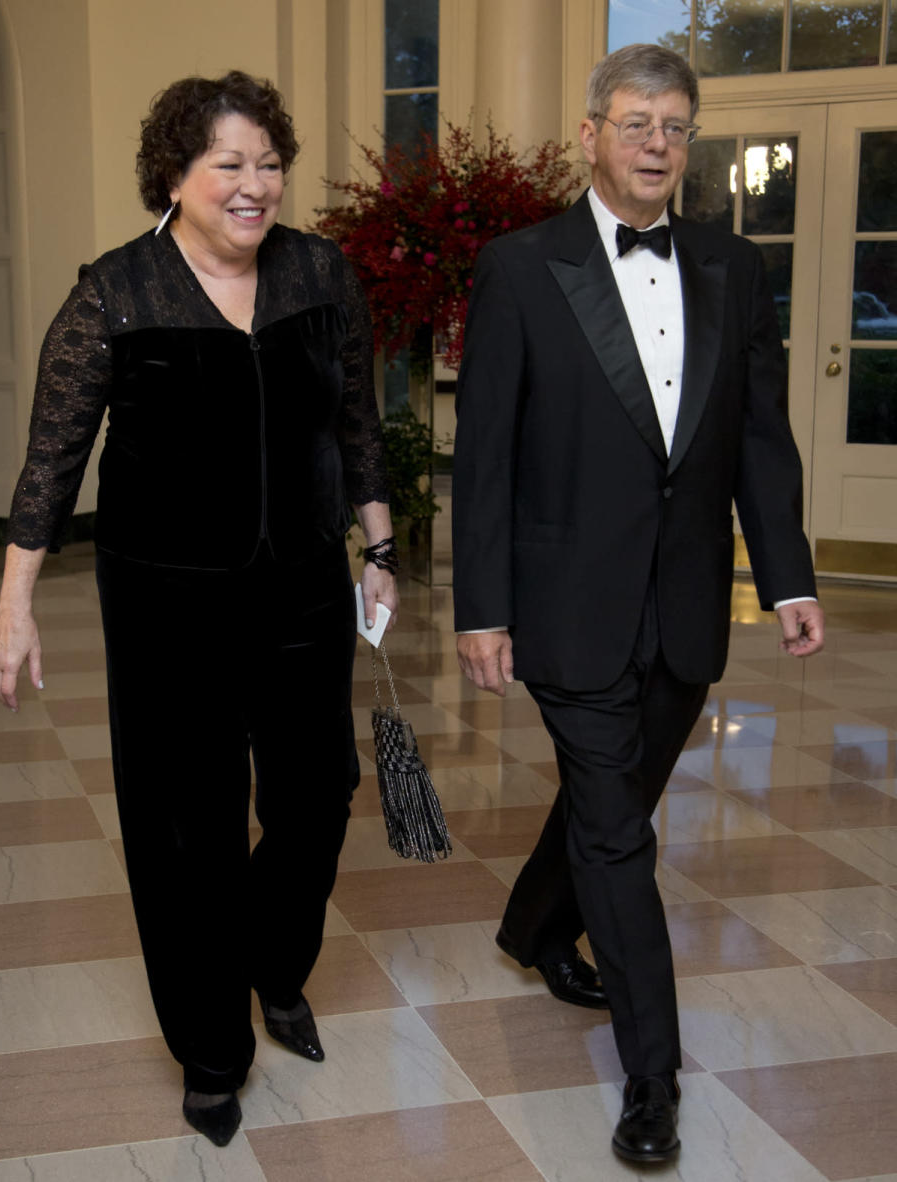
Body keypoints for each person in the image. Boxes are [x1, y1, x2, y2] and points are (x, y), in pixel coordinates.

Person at [0, 71, 398, 1148]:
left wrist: (381, 543)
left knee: (316, 795)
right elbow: (49, 463)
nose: (255, 184)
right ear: (174, 174)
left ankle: (273, 964)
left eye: (268, 163)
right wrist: (13, 607)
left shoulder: (318, 272)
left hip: (303, 584)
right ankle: (211, 1048)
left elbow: (357, 419)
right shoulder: (116, 293)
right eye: (230, 164)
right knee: (187, 829)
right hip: (165, 601)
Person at [452, 43, 823, 1165]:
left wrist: (790, 573)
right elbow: (485, 457)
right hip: (566, 602)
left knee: (607, 800)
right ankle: (651, 1077)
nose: (657, 143)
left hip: (687, 606)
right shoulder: (519, 267)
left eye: (674, 125)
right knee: (619, 835)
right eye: (635, 123)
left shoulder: (731, 265)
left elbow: (759, 436)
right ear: (590, 135)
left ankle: (528, 926)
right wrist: (482, 607)